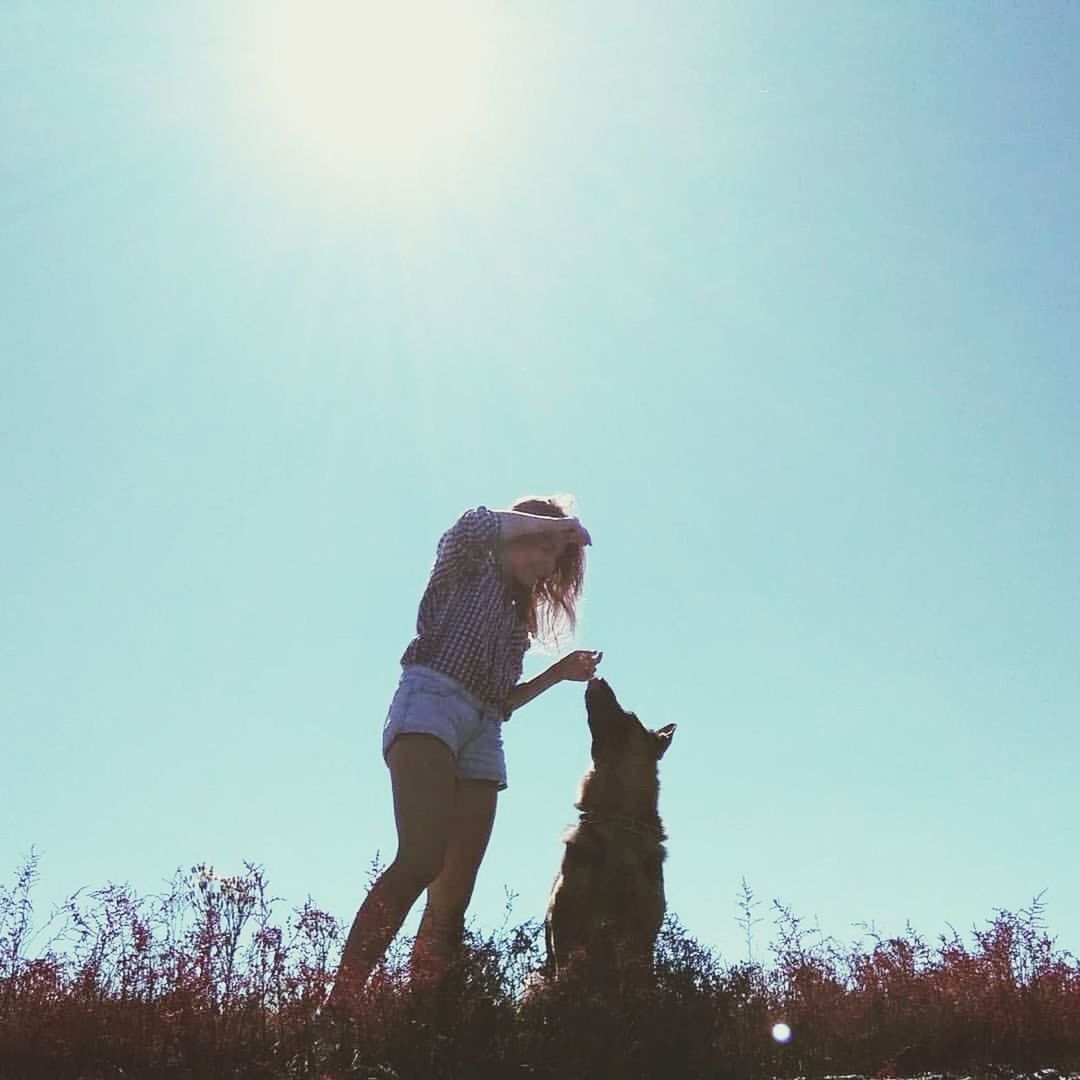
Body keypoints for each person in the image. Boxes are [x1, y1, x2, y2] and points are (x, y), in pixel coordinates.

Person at [326, 496, 601, 1011]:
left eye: (553, 556)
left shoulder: (518, 620)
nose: (545, 562)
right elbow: (477, 521)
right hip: (431, 702)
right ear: (514, 536)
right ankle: (338, 1008)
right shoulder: (468, 560)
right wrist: (560, 525)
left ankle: (419, 1013)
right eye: (537, 546)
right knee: (420, 859)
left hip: (484, 729)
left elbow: (503, 701)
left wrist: (557, 672)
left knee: (453, 894)